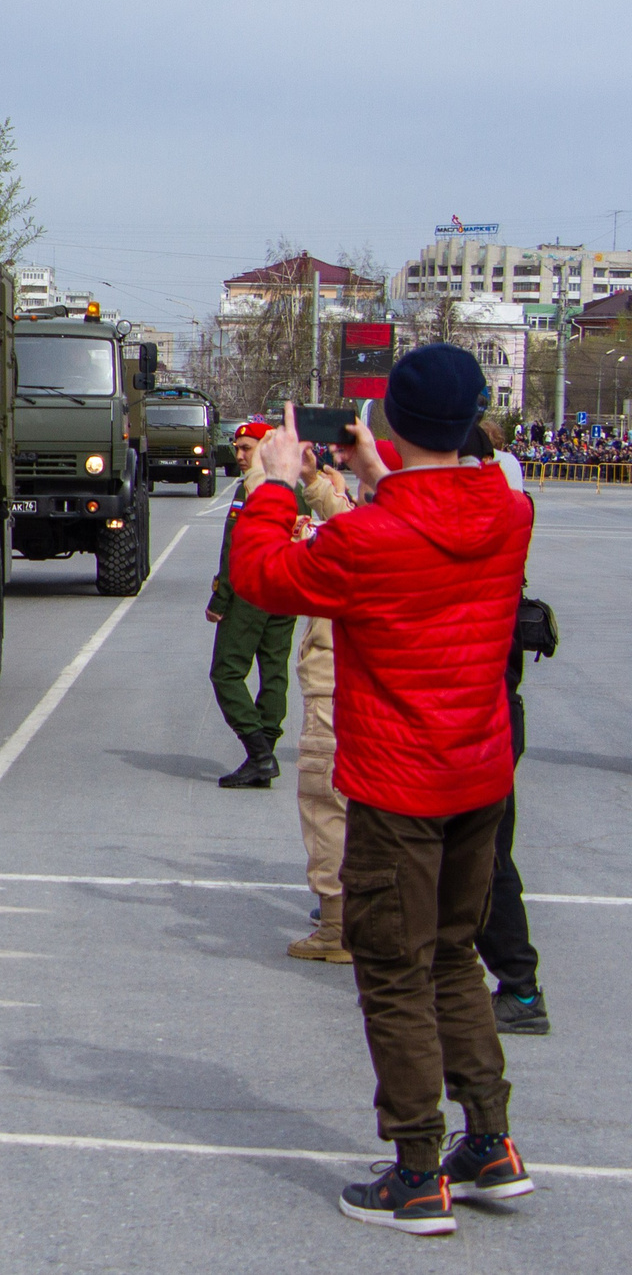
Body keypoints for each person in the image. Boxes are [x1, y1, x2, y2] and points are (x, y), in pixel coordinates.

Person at [232, 346, 536, 1235]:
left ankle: (414, 1167)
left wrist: (274, 486)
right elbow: (438, 521)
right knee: (452, 955)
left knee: (394, 973)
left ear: (394, 421)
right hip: (477, 770)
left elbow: (264, 577)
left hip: (399, 782)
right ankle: (490, 1140)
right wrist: (381, 477)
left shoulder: (368, 540)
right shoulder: (510, 511)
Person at [465, 418, 547, 1037]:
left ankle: (519, 988)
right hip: (481, 716)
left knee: (486, 856)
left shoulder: (493, 527)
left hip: (481, 722)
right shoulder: (502, 520)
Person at [206, 420, 303, 788]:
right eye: (237, 447)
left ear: (266, 446)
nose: (240, 455)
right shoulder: (290, 484)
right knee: (274, 669)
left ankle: (259, 752)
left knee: (226, 672)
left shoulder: (255, 488)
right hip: (286, 589)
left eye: (248, 447)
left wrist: (221, 597)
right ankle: (264, 753)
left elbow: (237, 548)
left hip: (251, 593)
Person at [288, 457, 357, 964]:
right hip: (367, 690)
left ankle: (337, 926)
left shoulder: (358, 537)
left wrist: (302, 483)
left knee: (325, 806)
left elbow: (266, 575)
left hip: (332, 685)